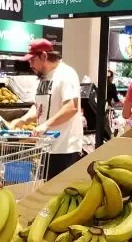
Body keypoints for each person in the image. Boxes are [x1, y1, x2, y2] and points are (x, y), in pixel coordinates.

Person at [10, 39, 84, 180]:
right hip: (46, 147)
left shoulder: (66, 74)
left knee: (56, 193)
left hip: (63, 148)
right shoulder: (43, 78)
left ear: (44, 56)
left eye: (32, 59)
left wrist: (45, 125)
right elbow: (38, 105)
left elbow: (72, 107)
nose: (30, 64)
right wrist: (23, 119)